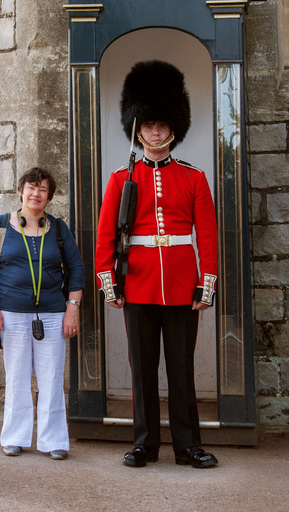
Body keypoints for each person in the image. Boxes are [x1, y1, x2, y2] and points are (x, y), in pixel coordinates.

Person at [95, 61, 219, 469]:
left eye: (162, 125)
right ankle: (145, 444)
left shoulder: (194, 178)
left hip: (183, 284)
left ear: (173, 129)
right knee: (143, 372)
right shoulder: (119, 179)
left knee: (181, 369)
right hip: (139, 284)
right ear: (138, 127)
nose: (155, 131)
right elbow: (105, 237)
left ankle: (188, 446)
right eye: (147, 124)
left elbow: (208, 236)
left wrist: (207, 284)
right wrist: (110, 284)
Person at [0, 167, 86, 460]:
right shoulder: (1, 225)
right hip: (11, 314)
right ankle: (14, 437)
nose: (36, 193)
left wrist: (72, 309)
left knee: (52, 378)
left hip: (52, 314)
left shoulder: (59, 228)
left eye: (42, 189)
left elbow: (76, 269)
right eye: (31, 187)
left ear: (48, 196)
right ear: (20, 191)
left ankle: (54, 441)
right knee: (17, 376)